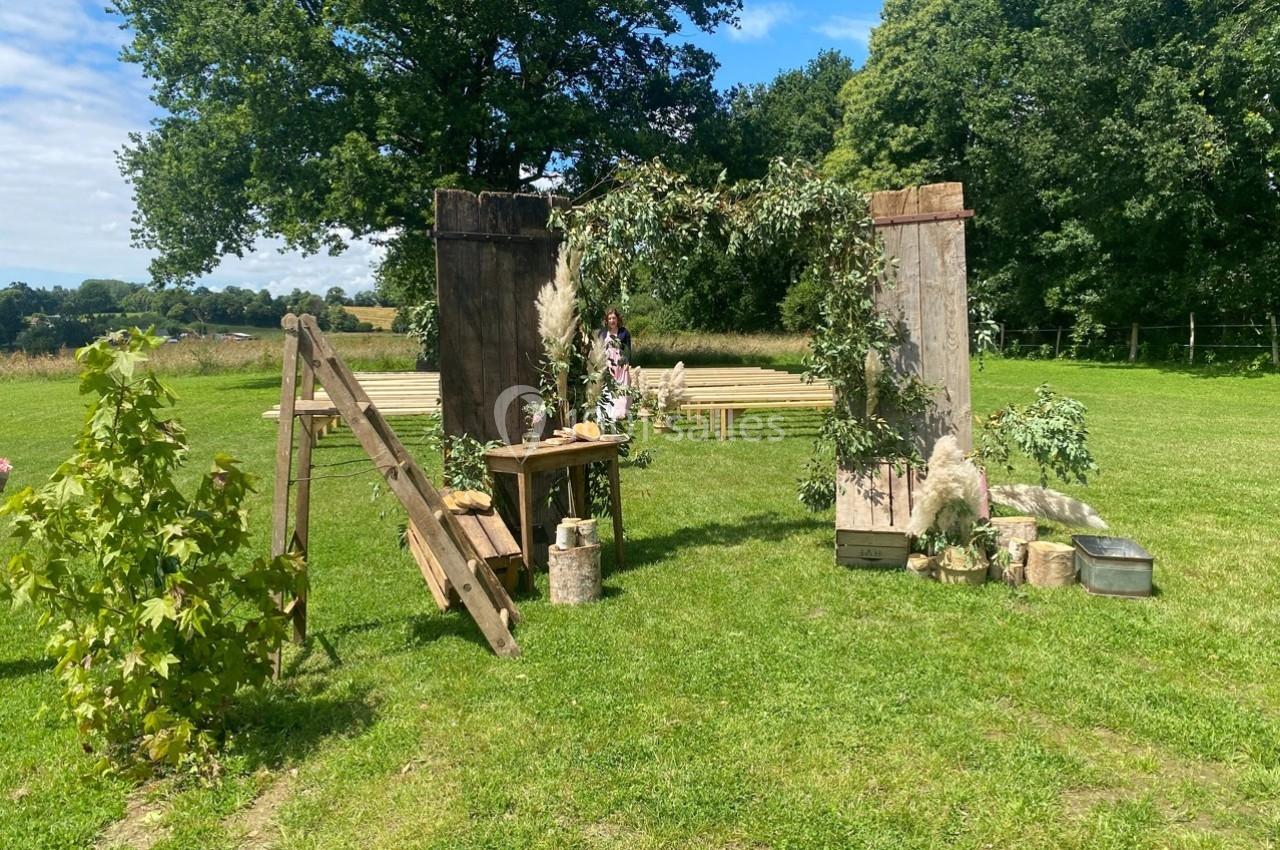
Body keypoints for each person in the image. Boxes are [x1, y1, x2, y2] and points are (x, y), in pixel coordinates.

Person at [598, 307, 632, 420]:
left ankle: (619, 413)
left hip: (620, 364)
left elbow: (628, 348)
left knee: (621, 387)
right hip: (607, 364)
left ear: (617, 319)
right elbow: (598, 349)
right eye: (610, 318)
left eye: (614, 318)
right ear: (606, 320)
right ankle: (607, 412)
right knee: (607, 388)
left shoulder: (624, 332)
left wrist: (627, 361)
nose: (612, 320)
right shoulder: (602, 333)